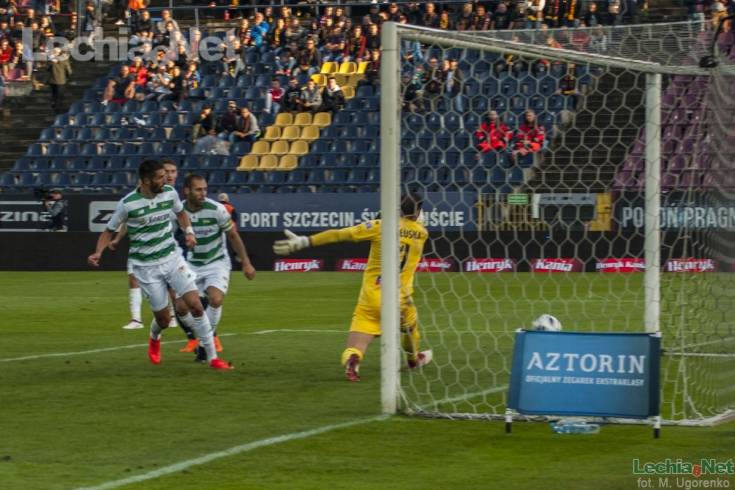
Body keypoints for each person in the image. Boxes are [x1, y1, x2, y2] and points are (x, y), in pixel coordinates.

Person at [88, 160, 233, 370]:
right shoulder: (128, 204)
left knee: (195, 305)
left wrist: (189, 232)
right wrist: (98, 252)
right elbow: (109, 230)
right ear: (146, 180)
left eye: (165, 176)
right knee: (164, 320)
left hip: (172, 258)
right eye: (160, 177)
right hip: (146, 267)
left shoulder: (169, 193)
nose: (165, 180)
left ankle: (212, 358)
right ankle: (154, 336)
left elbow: (181, 213)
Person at [273, 193, 433, 382]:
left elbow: (340, 234)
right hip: (401, 298)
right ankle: (413, 359)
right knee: (411, 330)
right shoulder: (422, 234)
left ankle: (353, 359)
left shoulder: (380, 226)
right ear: (417, 212)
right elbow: (411, 226)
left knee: (356, 344)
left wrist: (306, 241)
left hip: (372, 295)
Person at [178, 174, 256, 356]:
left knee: (216, 299)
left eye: (205, 189)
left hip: (217, 262)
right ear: (187, 191)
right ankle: (203, 336)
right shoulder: (178, 211)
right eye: (198, 189)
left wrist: (246, 263)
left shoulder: (217, 209)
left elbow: (233, 236)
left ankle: (205, 345)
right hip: (191, 264)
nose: (203, 193)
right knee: (181, 307)